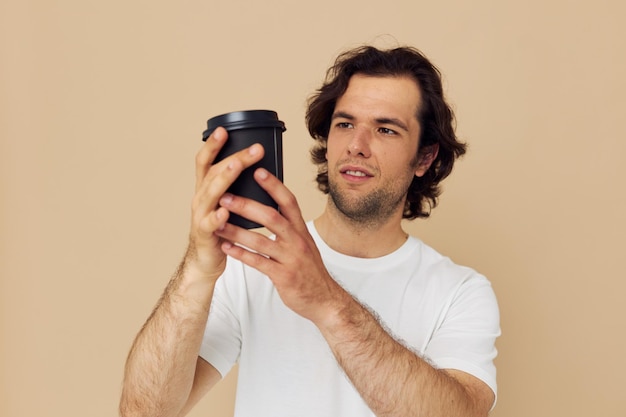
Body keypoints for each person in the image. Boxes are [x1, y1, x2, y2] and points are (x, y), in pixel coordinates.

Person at [120, 45, 500, 417]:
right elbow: (143, 412)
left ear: (424, 157)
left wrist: (327, 301)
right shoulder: (254, 261)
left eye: (385, 129)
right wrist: (198, 268)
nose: (356, 145)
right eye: (345, 124)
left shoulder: (460, 292)